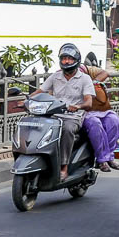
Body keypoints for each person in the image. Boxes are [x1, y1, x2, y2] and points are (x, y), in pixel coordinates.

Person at [34, 43, 95, 181]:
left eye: (69, 58)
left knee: (67, 129)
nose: (66, 61)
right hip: (54, 115)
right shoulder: (55, 77)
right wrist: (25, 101)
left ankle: (64, 167)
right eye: (64, 58)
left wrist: (78, 106)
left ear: (76, 60)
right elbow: (40, 91)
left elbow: (88, 102)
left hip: (73, 117)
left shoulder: (85, 79)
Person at [77, 59, 119, 171]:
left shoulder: (88, 70)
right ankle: (102, 159)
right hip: (83, 111)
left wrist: (93, 82)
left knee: (113, 120)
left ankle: (111, 156)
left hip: (100, 109)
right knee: (95, 124)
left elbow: (105, 73)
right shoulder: (62, 75)